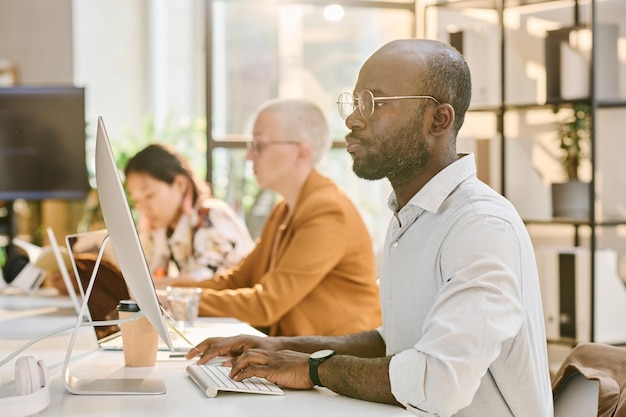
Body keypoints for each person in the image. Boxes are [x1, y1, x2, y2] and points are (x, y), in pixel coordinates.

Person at [185, 39, 553, 416]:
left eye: (374, 103)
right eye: (355, 101)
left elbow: (439, 382)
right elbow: (392, 343)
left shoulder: (481, 226)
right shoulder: (410, 215)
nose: (353, 119)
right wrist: (280, 349)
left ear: (438, 120)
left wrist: (314, 369)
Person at [169, 98, 381, 337]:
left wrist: (172, 301)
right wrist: (166, 290)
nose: (249, 156)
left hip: (337, 362)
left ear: (301, 151)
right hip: (296, 355)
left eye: (259, 145)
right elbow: (237, 281)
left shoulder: (328, 211)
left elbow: (265, 304)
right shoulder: (284, 210)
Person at [124, 144, 253, 281]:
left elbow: (204, 281)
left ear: (180, 184)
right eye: (136, 201)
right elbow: (150, 273)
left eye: (149, 195)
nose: (142, 207)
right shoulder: (164, 227)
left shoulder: (210, 214)